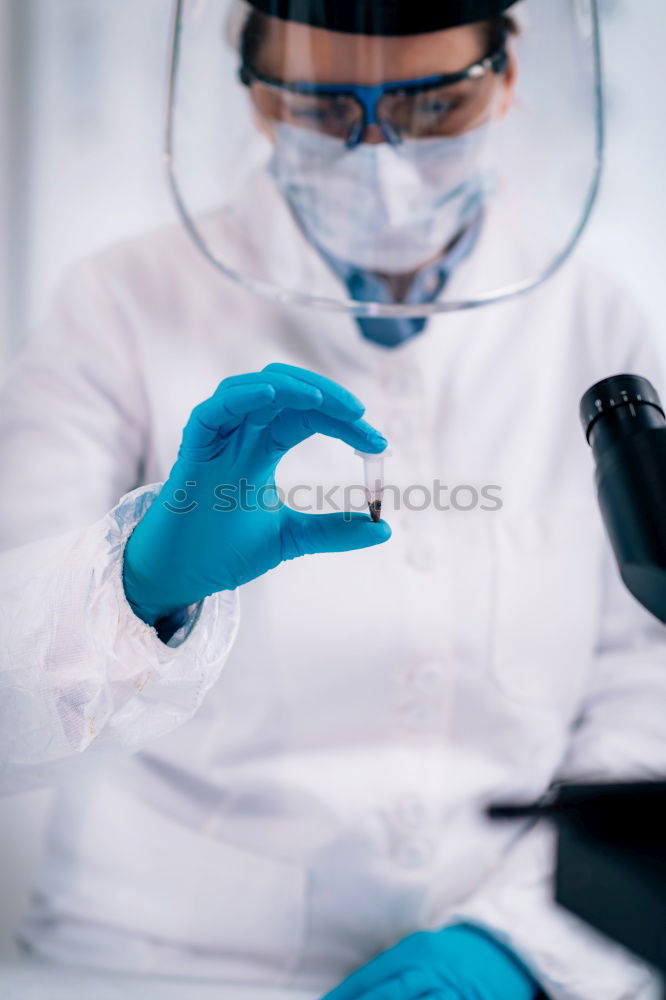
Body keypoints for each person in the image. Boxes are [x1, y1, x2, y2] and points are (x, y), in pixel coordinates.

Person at [1, 1, 665, 997]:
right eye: (320, 108)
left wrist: (520, 948)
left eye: (436, 106)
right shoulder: (117, 305)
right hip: (155, 967)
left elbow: (648, 688)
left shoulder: (601, 320)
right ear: (253, 92)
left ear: (510, 73)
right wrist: (135, 593)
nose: (380, 159)